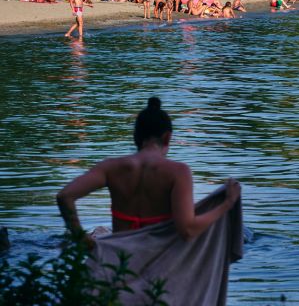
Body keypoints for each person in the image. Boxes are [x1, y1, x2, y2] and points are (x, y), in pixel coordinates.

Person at [57, 98, 241, 246]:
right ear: (167, 137)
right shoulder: (178, 172)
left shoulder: (110, 167)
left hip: (119, 260)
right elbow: (188, 230)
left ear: (136, 136)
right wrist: (227, 204)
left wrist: (83, 240)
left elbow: (65, 196)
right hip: (157, 262)